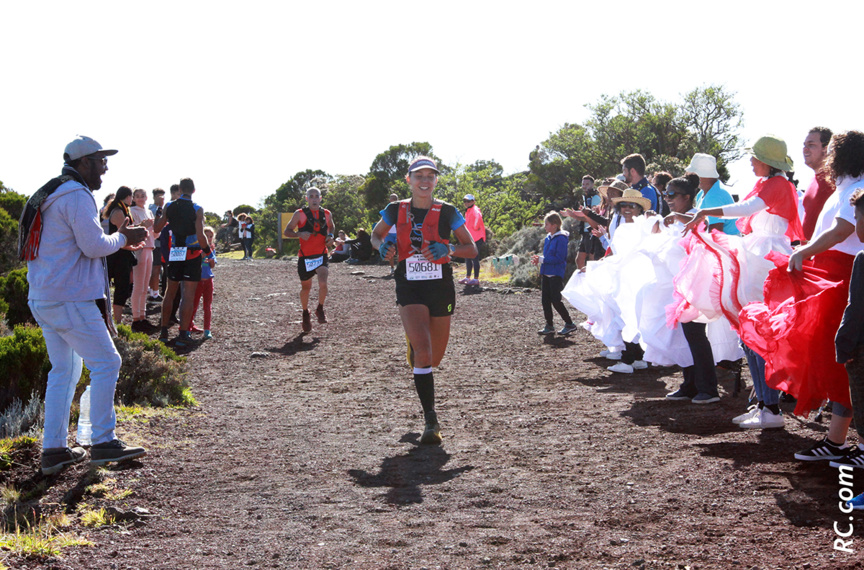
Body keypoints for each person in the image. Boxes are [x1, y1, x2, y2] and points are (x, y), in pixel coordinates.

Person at [23, 135, 147, 475]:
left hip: (45, 295)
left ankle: (54, 451)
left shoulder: (52, 192)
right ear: (83, 163)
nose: (105, 166)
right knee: (108, 362)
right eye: (100, 160)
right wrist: (125, 237)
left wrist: (117, 242)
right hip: (69, 297)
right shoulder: (77, 196)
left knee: (64, 371)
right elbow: (92, 246)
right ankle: (104, 442)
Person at [738, 131, 863, 458]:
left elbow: (842, 230)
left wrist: (803, 252)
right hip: (831, 274)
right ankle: (836, 443)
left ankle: (850, 444)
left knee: (842, 358)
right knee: (832, 357)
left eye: (832, 150)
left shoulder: (855, 187)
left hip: (841, 277)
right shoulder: (846, 186)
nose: (827, 155)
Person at [675, 135, 804, 429]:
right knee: (750, 333)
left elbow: (745, 209)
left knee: (760, 333)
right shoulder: (770, 184)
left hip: (766, 259)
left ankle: (770, 406)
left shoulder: (777, 185)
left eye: (754, 157)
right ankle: (763, 402)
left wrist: (705, 212)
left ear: (767, 162)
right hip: (758, 255)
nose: (750, 161)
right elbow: (746, 207)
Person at [371, 156, 477, 444]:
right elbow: (376, 236)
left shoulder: (449, 211)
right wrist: (384, 248)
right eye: (419, 176)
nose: (425, 181)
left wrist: (448, 248)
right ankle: (431, 420)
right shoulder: (396, 209)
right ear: (409, 180)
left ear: (436, 180)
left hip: (440, 287)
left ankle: (415, 346)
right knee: (425, 352)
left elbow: (472, 249)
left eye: (430, 176)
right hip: (409, 285)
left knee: (435, 357)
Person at [154, 178, 211, 347]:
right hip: (192, 254)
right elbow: (201, 236)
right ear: (193, 190)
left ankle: (163, 332)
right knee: (188, 294)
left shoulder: (169, 206)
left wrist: (158, 216)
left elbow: (157, 229)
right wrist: (208, 252)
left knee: (170, 291)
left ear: (180, 189)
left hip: (176, 252)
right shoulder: (197, 209)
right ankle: (183, 334)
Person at [283, 187, 335, 333]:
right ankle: (306, 313)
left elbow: (331, 227)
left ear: (320, 198)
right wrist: (299, 234)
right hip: (305, 257)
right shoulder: (299, 214)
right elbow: (287, 231)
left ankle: (320, 308)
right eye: (311, 196)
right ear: (307, 199)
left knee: (323, 281)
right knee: (306, 288)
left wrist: (330, 237)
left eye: (316, 196)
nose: (314, 199)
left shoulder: (326, 213)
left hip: (321, 255)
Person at [532, 211, 578, 336]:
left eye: (546, 224)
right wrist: (540, 259)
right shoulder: (548, 237)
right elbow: (548, 256)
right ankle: (549, 325)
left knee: (556, 300)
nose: (544, 226)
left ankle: (569, 323)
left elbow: (560, 258)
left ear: (554, 225)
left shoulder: (561, 239)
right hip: (546, 273)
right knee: (545, 301)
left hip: (556, 274)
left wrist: (542, 260)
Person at [104, 186, 141, 324]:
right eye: (132, 196)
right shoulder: (118, 212)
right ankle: (114, 320)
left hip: (124, 254)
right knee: (118, 287)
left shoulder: (125, 210)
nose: (133, 199)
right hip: (116, 255)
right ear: (127, 196)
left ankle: (116, 319)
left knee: (124, 286)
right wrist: (134, 245)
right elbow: (124, 235)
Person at [684, 153, 740, 235]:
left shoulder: (714, 196)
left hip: (726, 246)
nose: (689, 176)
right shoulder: (705, 192)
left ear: (702, 174)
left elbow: (715, 233)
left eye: (692, 174)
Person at [800, 127, 834, 242]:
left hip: (824, 255)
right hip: (805, 256)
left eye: (811, 145)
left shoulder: (835, 180)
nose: (805, 149)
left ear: (826, 149)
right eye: (804, 145)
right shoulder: (812, 180)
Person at [129, 188, 157, 332]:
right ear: (133, 198)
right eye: (137, 196)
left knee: (145, 285)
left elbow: (155, 234)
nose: (140, 198)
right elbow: (130, 230)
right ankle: (135, 318)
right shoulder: (132, 211)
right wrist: (143, 226)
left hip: (150, 247)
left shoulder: (149, 212)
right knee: (138, 285)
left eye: (143, 196)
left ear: (146, 198)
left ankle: (142, 316)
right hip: (139, 248)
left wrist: (158, 226)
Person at [190, 226, 217, 340]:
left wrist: (210, 259)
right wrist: (202, 256)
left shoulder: (212, 249)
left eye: (211, 236)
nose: (209, 238)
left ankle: (207, 329)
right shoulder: (196, 248)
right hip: (197, 280)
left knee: (207, 305)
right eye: (207, 236)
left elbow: (212, 266)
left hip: (208, 279)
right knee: (193, 304)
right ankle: (188, 326)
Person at [574, 175, 605, 271]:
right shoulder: (585, 197)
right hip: (585, 231)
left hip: (592, 231)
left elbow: (591, 216)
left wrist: (573, 215)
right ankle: (581, 281)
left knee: (592, 259)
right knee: (579, 259)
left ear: (592, 185)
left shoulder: (595, 197)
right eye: (583, 184)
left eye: (587, 184)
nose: (585, 186)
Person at [460, 194, 486, 285]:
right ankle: (467, 277)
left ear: (473, 201)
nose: (466, 203)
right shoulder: (468, 210)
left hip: (477, 237)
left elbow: (478, 217)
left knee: (474, 257)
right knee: (467, 257)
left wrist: (475, 227)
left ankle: (476, 278)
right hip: (470, 238)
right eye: (465, 201)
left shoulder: (475, 210)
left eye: (468, 201)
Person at [148, 188, 165, 300]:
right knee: (155, 268)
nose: (160, 199)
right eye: (158, 196)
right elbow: (155, 222)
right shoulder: (151, 209)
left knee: (158, 269)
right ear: (153, 197)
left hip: (162, 242)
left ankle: (153, 291)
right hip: (154, 243)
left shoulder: (164, 209)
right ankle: (154, 293)